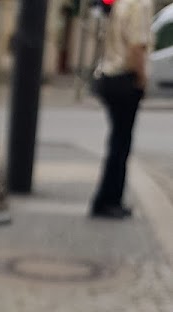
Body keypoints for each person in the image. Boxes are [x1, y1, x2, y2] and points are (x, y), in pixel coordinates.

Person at [90, 0, 154, 219]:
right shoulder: (140, 5)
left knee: (117, 142)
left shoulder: (121, 3)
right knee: (121, 144)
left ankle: (108, 199)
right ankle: (108, 200)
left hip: (110, 77)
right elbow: (136, 47)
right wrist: (142, 80)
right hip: (125, 80)